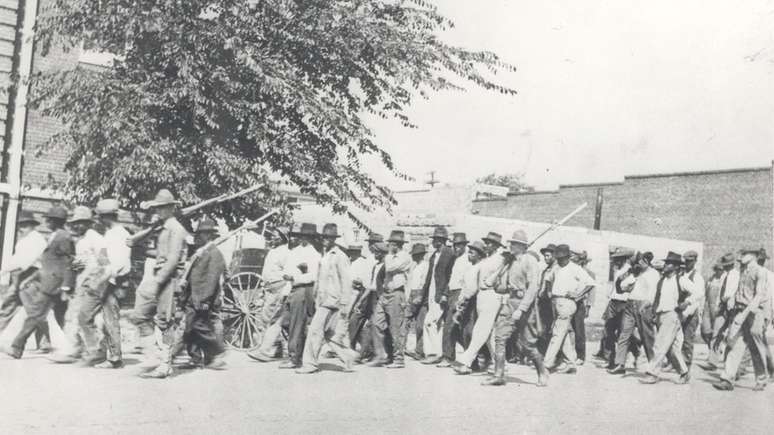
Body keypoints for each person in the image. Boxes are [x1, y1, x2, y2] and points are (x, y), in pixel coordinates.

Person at [142, 218, 228, 378]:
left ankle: (217, 351)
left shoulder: (215, 254)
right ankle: (196, 358)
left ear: (209, 235)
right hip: (192, 296)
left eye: (201, 234)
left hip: (201, 298)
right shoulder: (201, 252)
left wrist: (204, 300)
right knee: (192, 328)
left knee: (196, 327)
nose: (198, 237)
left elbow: (211, 280)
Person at [2, 206, 75, 360]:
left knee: (39, 315)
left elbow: (69, 263)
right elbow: (44, 263)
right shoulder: (53, 236)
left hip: (54, 284)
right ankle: (17, 347)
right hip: (45, 281)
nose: (46, 222)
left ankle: (65, 348)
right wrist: (31, 279)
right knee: (36, 315)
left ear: (57, 221)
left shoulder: (64, 237)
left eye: (49, 219)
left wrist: (66, 287)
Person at [479, 230, 549, 387]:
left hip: (525, 305)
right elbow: (505, 287)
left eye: (514, 244)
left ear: (522, 246)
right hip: (510, 303)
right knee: (500, 337)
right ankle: (498, 375)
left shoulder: (530, 261)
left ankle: (542, 372)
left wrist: (522, 309)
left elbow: (532, 288)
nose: (510, 246)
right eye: (511, 243)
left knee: (528, 344)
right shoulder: (510, 262)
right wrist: (493, 283)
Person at [131, 189, 189, 369]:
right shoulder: (162, 228)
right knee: (140, 315)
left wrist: (157, 282)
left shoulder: (177, 229)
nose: (159, 211)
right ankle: (152, 356)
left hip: (170, 278)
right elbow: (156, 252)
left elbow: (172, 260)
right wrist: (149, 231)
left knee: (165, 322)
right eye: (157, 208)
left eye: (163, 208)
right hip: (159, 274)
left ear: (172, 208)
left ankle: (165, 364)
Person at [48, 206, 112, 365]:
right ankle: (78, 348)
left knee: (80, 317)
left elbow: (105, 264)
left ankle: (82, 350)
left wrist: (96, 283)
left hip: (91, 284)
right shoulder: (82, 240)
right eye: (74, 223)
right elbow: (81, 263)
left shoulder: (96, 239)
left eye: (80, 223)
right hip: (81, 283)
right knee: (73, 316)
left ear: (88, 223)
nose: (76, 226)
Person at [296, 223, 358, 374]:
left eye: (328, 238)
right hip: (323, 300)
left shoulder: (339, 256)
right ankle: (348, 356)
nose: (325, 240)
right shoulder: (325, 255)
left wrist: (344, 303)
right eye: (323, 237)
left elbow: (346, 280)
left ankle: (310, 364)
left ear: (334, 239)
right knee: (330, 334)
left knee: (314, 332)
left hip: (332, 301)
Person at [713, 248, 769, 391]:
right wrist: (732, 300)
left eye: (744, 254)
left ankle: (761, 379)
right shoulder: (743, 270)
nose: (741, 257)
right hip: (740, 310)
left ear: (754, 256)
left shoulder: (760, 271)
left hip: (754, 313)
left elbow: (759, 296)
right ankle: (727, 379)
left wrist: (744, 314)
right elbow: (739, 290)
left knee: (756, 347)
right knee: (733, 343)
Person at [84, 199, 131, 369]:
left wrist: (99, 280)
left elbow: (117, 264)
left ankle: (115, 358)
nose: (99, 221)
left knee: (111, 319)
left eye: (100, 217)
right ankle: (108, 353)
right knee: (106, 319)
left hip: (115, 282)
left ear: (106, 217)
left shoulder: (118, 234)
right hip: (110, 280)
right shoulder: (112, 233)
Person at [640, 252, 695, 385]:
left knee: (659, 344)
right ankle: (684, 372)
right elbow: (653, 296)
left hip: (672, 315)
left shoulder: (681, 280)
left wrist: (687, 302)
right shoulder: (662, 280)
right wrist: (646, 304)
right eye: (666, 263)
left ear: (676, 267)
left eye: (668, 263)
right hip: (660, 315)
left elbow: (698, 292)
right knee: (673, 348)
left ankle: (652, 373)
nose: (665, 265)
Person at [0, 211, 49, 350]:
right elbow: (16, 258)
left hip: (32, 276)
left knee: (34, 311)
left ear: (32, 225)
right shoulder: (23, 240)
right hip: (19, 275)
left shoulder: (37, 239)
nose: (22, 228)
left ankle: (45, 342)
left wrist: (6, 270)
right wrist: (5, 270)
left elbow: (26, 260)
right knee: (8, 305)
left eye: (25, 225)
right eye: (20, 225)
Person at [542, 244, 595, 375]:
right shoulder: (556, 268)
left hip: (567, 302)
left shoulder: (575, 268)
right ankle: (571, 363)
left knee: (557, 333)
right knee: (562, 333)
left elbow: (590, 283)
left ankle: (546, 364)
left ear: (568, 257)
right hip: (556, 301)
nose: (560, 260)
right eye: (558, 257)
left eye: (562, 258)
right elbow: (548, 279)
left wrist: (578, 294)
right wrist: (549, 292)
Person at [278, 223, 321, 369]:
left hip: (303, 289)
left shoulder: (315, 255)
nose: (304, 239)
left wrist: (294, 278)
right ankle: (296, 353)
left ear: (312, 238)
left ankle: (295, 357)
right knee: (286, 322)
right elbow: (286, 269)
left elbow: (313, 276)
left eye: (308, 237)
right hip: (291, 288)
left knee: (296, 324)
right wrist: (286, 286)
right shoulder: (294, 251)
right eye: (302, 236)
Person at [608, 252, 658, 374]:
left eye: (641, 261)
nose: (638, 263)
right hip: (630, 304)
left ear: (647, 261)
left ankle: (653, 365)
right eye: (637, 261)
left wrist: (646, 306)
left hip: (644, 305)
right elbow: (621, 287)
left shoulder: (653, 274)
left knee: (647, 337)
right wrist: (629, 275)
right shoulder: (636, 272)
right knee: (624, 334)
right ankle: (620, 364)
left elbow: (653, 293)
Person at [369, 230, 412, 368]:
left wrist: (389, 258)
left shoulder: (405, 257)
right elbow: (387, 270)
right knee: (376, 322)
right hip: (386, 293)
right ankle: (381, 355)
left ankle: (398, 358)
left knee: (396, 327)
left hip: (397, 293)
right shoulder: (390, 256)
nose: (389, 246)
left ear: (398, 244)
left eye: (392, 243)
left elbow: (390, 267)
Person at [247, 227, 291, 362]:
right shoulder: (273, 252)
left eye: (275, 236)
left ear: (283, 238)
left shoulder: (286, 253)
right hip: (269, 288)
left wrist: (285, 290)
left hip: (279, 287)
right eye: (272, 235)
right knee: (270, 318)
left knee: (272, 318)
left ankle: (266, 350)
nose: (272, 238)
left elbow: (288, 274)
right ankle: (276, 349)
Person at [452, 240, 491, 373]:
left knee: (472, 332)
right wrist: (460, 301)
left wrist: (464, 299)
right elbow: (465, 286)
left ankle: (479, 361)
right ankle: (473, 363)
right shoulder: (469, 268)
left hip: (475, 302)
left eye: (472, 253)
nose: (469, 255)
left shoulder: (481, 267)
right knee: (465, 332)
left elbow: (473, 288)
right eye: (469, 252)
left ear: (480, 255)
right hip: (466, 302)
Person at [596, 247, 639, 368]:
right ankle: (611, 359)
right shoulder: (617, 270)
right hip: (613, 302)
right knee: (608, 331)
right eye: (615, 259)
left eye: (618, 259)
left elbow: (628, 288)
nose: (615, 261)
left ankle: (634, 353)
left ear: (624, 259)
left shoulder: (630, 271)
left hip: (624, 303)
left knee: (623, 333)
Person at [419, 226, 455, 365]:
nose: (434, 242)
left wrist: (445, 293)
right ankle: (437, 352)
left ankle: (435, 353)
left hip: (441, 293)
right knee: (436, 324)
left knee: (429, 322)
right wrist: (423, 294)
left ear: (441, 240)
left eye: (436, 239)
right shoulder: (434, 255)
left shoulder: (449, 254)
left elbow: (451, 275)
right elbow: (429, 276)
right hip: (432, 292)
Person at [700, 253, 739, 370]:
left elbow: (731, 293)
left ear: (731, 264)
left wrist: (724, 302)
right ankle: (713, 361)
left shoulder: (736, 275)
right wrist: (718, 305)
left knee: (731, 336)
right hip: (721, 307)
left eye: (726, 265)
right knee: (715, 333)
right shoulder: (723, 276)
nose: (724, 268)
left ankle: (730, 364)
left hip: (731, 308)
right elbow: (719, 294)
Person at [438, 232, 471, 368]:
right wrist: (445, 294)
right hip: (452, 292)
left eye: (459, 246)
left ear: (464, 246)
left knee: (450, 327)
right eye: (454, 246)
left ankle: (448, 356)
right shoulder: (456, 260)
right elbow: (451, 279)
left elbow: (467, 281)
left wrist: (461, 298)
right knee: (454, 328)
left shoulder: (468, 260)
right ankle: (475, 355)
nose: (456, 248)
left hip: (461, 293)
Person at [351, 242, 387, 361]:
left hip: (379, 297)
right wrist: (360, 301)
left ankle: (365, 353)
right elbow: (370, 286)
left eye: (377, 252)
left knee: (372, 325)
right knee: (355, 320)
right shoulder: (375, 266)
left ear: (382, 253)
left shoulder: (386, 266)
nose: (374, 254)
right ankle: (359, 350)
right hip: (370, 295)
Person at [675, 250, 705, 370]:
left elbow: (698, 297)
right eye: (686, 261)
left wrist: (687, 310)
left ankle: (686, 364)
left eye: (690, 261)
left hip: (690, 312)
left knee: (687, 340)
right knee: (675, 339)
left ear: (695, 261)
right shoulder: (681, 275)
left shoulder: (697, 277)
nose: (687, 263)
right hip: (679, 310)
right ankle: (675, 362)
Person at [403, 243, 429, 361]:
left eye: (415, 255)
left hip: (420, 294)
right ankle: (401, 347)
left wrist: (420, 296)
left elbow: (424, 282)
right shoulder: (414, 266)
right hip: (412, 293)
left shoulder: (425, 265)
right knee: (405, 321)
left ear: (420, 255)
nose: (413, 257)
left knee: (420, 324)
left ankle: (419, 351)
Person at [570, 250, 594, 365]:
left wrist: (588, 306)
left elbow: (592, 291)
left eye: (576, 259)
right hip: (568, 302)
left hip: (580, 304)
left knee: (579, 331)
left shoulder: (588, 273)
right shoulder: (571, 271)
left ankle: (581, 356)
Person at [537, 244, 557, 355]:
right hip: (543, 302)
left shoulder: (556, 269)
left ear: (554, 255)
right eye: (544, 256)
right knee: (542, 327)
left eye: (548, 256)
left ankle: (547, 354)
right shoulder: (546, 269)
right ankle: (542, 352)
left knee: (550, 328)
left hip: (551, 302)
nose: (546, 258)